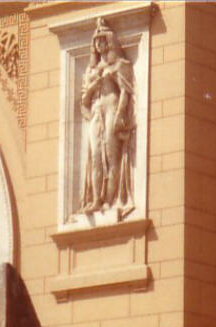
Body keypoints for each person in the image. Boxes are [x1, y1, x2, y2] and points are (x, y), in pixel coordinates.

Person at [78, 18, 135, 218]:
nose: (99, 45)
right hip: (96, 111)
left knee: (111, 156)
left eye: (102, 41)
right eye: (96, 41)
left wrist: (120, 113)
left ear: (109, 42)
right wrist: (93, 86)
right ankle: (95, 200)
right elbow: (84, 100)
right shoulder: (91, 71)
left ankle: (110, 201)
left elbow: (126, 92)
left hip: (111, 106)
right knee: (95, 158)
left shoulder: (119, 64)